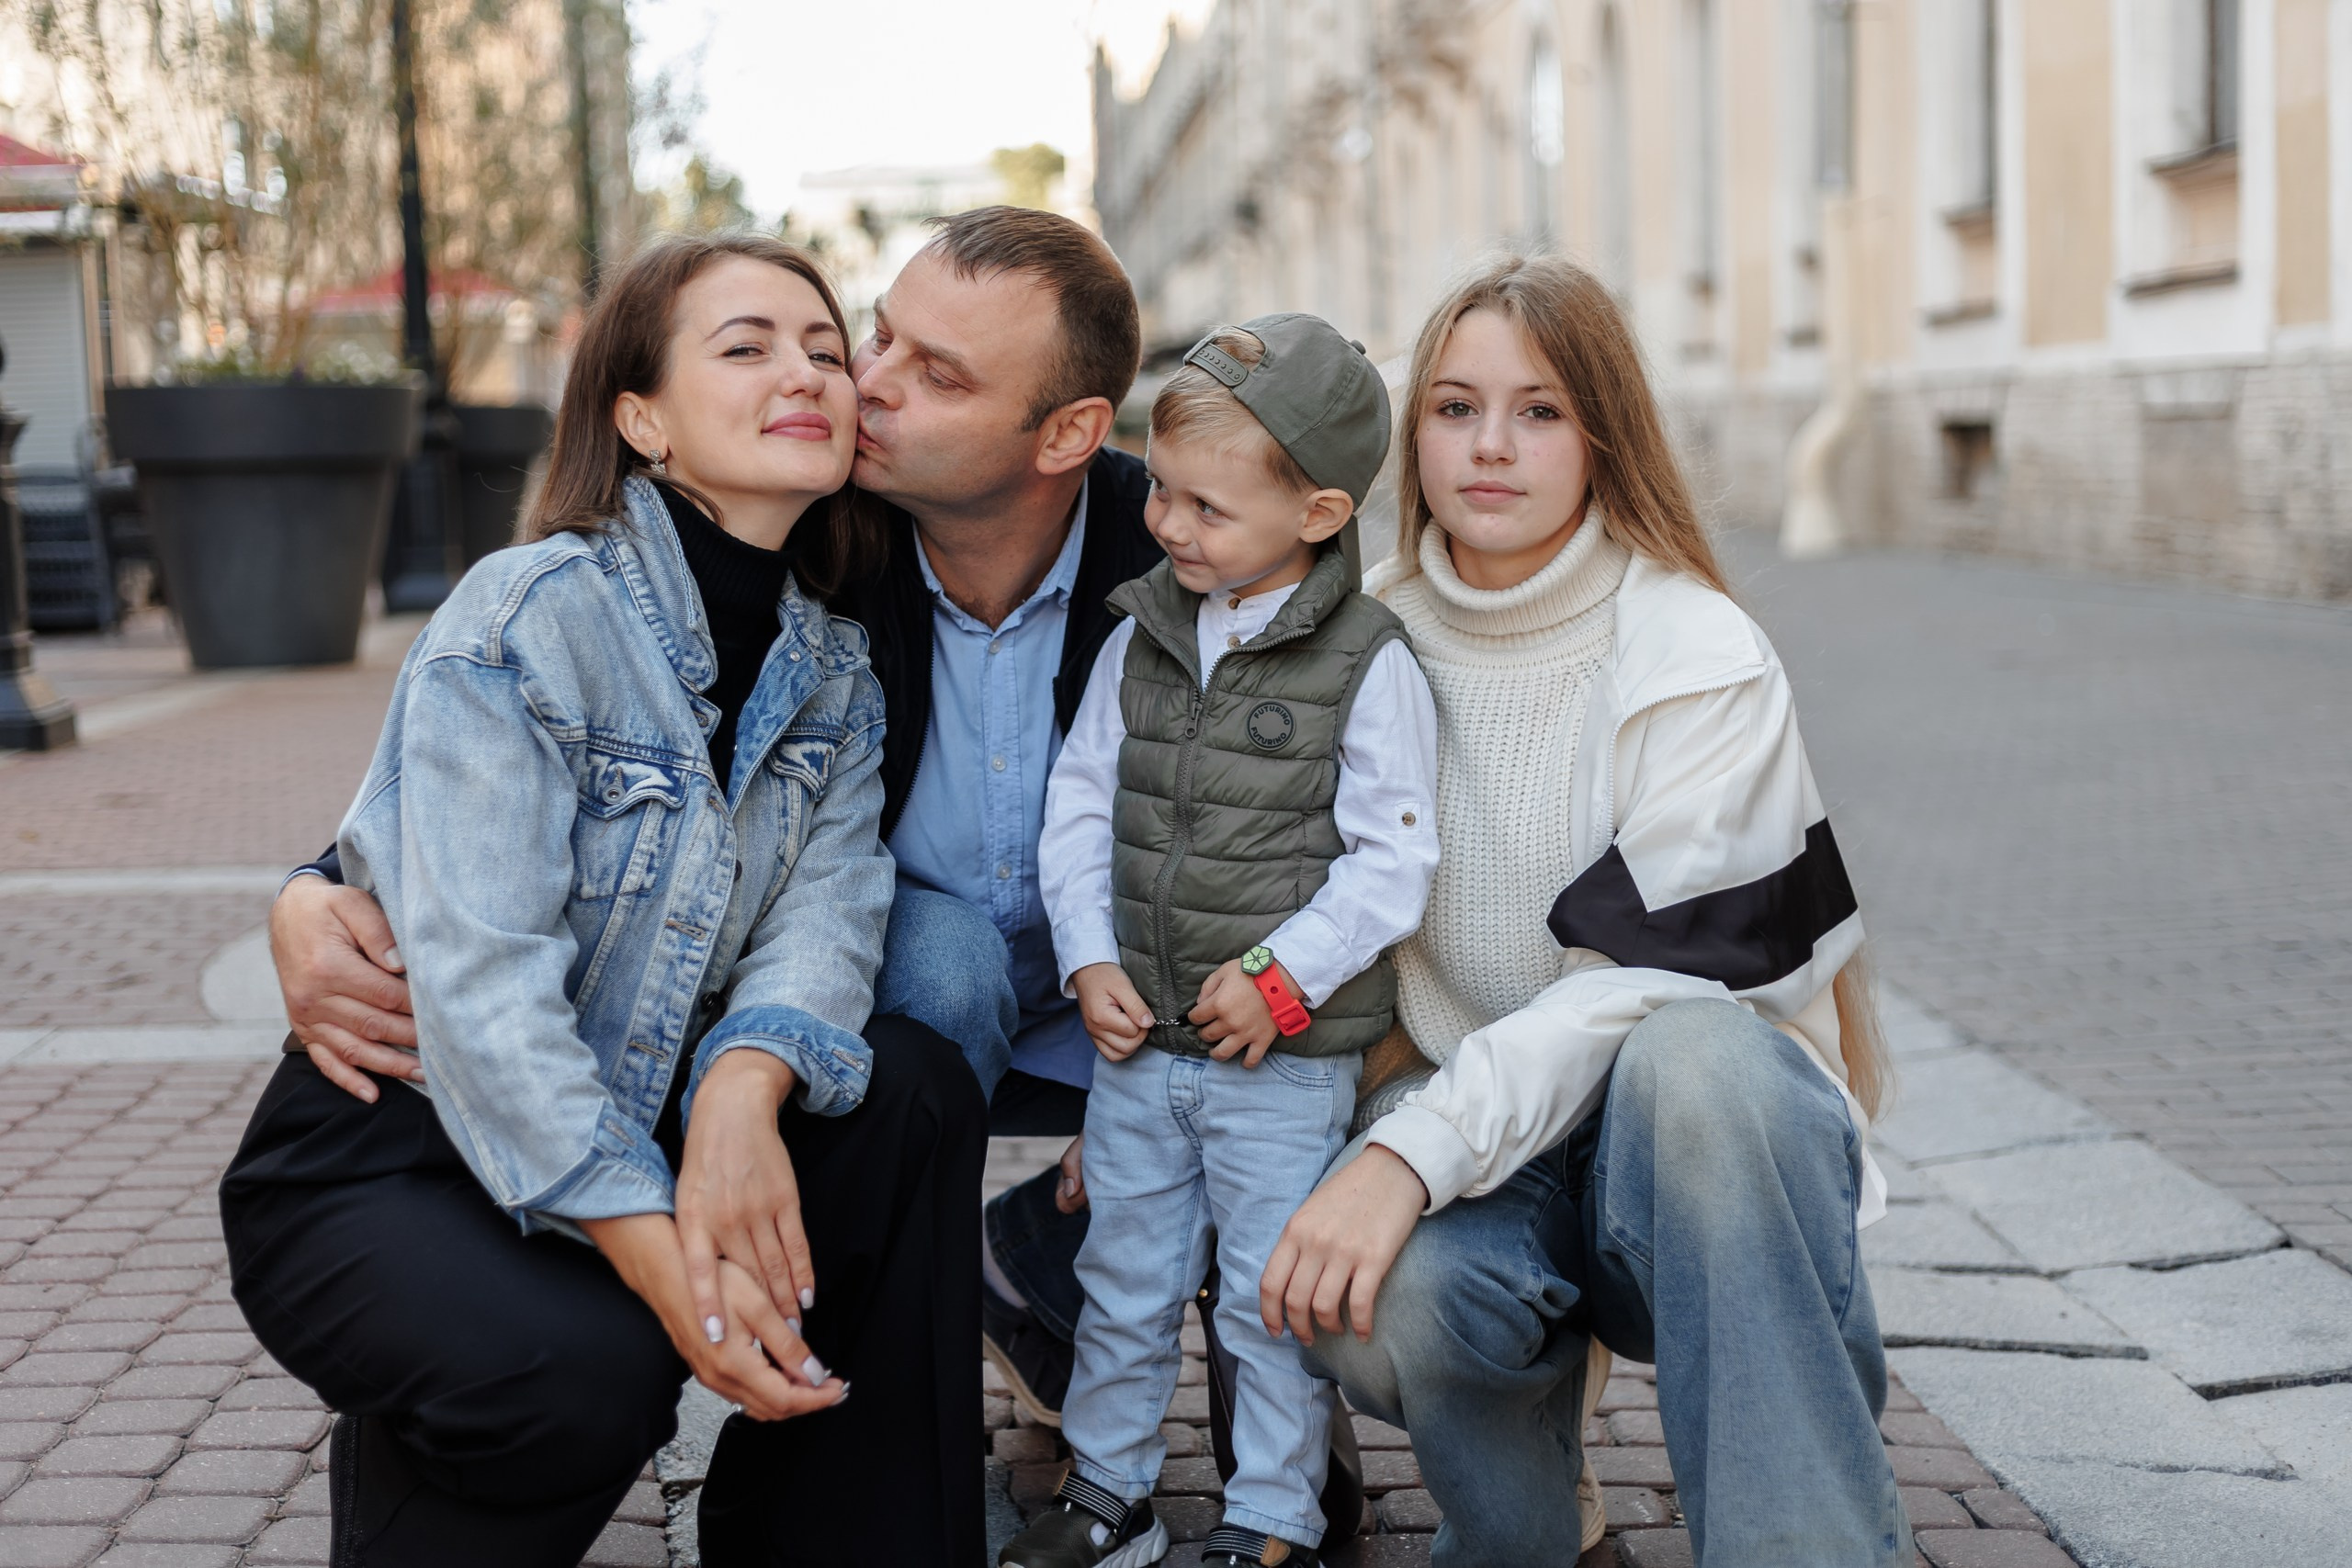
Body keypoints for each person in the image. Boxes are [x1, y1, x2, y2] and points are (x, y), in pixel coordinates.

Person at [219, 235, 988, 1567]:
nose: (805, 371)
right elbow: (482, 979)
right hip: (397, 1148)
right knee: (594, 1369)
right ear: (642, 421)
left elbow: (832, 913)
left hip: (618, 1132)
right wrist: (670, 1261)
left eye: (821, 346)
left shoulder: (835, 669)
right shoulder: (527, 615)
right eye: (744, 347)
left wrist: (747, 1092)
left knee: (901, 1078)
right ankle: (445, 1414)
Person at [1253, 255, 1909, 1567]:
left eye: (1541, 411)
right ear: (1412, 433)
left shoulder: (1693, 650)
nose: (1491, 446)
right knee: (1388, 1299)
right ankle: (1532, 1534)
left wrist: (1405, 1160)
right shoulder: (1358, 647)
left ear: (1604, 433)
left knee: (1700, 1060)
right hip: (1488, 1141)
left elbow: (1649, 980)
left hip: (1691, 1174)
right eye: (1454, 407)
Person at [1002, 318, 1439, 1568]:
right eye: (1164, 493)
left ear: (1318, 512)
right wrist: (1088, 956)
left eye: (1207, 507)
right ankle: (1111, 1493)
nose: (1170, 525)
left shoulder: (1368, 663)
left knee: (1268, 1302)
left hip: (1278, 1066)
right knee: (1124, 1283)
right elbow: (1082, 799)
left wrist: (1282, 982)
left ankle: (1273, 1520)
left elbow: (1393, 858)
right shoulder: (1144, 632)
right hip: (1141, 1044)